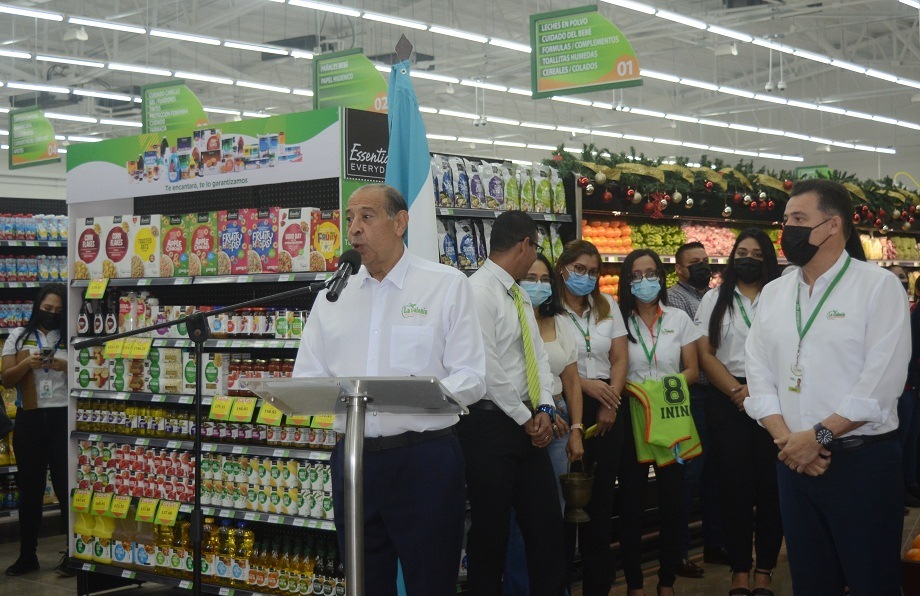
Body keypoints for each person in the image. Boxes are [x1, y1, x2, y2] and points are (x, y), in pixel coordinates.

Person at [292, 184, 487, 595]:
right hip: (353, 461)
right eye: (349, 218)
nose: (354, 229)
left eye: (367, 216)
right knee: (363, 583)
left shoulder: (445, 285)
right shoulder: (333, 296)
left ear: (400, 223)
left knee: (430, 582)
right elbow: (307, 378)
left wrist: (425, 395)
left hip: (425, 461)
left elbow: (471, 377)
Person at [744, 179, 910, 595]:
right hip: (794, 464)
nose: (787, 229)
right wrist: (789, 442)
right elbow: (759, 373)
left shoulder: (877, 287)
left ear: (833, 225)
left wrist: (817, 436)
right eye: (786, 220)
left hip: (860, 464)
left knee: (872, 579)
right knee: (811, 580)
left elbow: (879, 385)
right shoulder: (775, 293)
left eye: (799, 219)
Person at [462, 210, 566, 596]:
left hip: (529, 423)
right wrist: (526, 417)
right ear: (525, 245)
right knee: (490, 532)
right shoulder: (477, 292)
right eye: (536, 247)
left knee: (545, 527)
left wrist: (544, 408)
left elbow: (535, 355)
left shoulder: (519, 293)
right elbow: (486, 366)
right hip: (489, 427)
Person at [695, 229, 783, 596]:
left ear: (768, 259)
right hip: (727, 398)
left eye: (757, 253)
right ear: (732, 258)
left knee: (770, 489)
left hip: (775, 400)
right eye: (742, 252)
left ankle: (764, 570)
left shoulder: (782, 297)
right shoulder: (715, 299)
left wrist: (758, 391)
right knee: (733, 489)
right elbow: (705, 353)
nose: (749, 258)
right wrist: (737, 390)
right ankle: (739, 572)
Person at [617, 249, 701, 596]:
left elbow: (693, 371)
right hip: (633, 419)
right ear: (627, 281)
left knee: (672, 504)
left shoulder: (679, 318)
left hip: (671, 419)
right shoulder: (618, 319)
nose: (645, 281)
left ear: (661, 277)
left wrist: (661, 391)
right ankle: (635, 584)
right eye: (636, 275)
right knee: (632, 507)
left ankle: (666, 582)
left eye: (651, 273)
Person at [502, 252, 586, 595]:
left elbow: (572, 380)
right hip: (513, 419)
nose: (537, 286)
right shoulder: (505, 318)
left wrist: (575, 427)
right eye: (529, 278)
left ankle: (553, 588)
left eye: (543, 279)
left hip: (558, 424)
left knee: (551, 517)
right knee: (514, 522)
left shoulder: (561, 322)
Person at [555, 240, 628, 596]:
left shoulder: (607, 305)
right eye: (580, 269)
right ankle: (562, 583)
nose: (586, 277)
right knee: (565, 502)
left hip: (608, 405)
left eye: (594, 271)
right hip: (564, 402)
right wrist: (585, 386)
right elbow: (545, 361)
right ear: (563, 268)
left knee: (599, 502)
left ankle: (599, 585)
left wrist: (611, 400)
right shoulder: (549, 308)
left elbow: (619, 358)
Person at [1, 283, 70, 577]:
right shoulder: (17, 337)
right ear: (37, 306)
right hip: (30, 419)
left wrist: (62, 364)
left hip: (63, 417)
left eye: (57, 310)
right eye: (47, 309)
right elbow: (5, 379)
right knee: (30, 490)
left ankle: (73, 553)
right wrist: (27, 364)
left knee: (66, 487)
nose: (52, 314)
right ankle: (27, 555)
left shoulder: (69, 336)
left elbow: (88, 370)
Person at [669, 241, 726, 576]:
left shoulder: (712, 295)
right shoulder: (677, 299)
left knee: (714, 474)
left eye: (705, 261)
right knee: (689, 474)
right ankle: (677, 552)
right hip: (690, 394)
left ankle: (715, 543)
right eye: (694, 262)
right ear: (679, 269)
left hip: (714, 394)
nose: (703, 267)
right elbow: (706, 344)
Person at [892, 265, 920, 507]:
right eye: (894, 276)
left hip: (910, 391)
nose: (899, 281)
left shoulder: (908, 312)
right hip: (896, 392)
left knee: (910, 440)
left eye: (902, 277)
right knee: (897, 443)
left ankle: (909, 484)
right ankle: (896, 491)